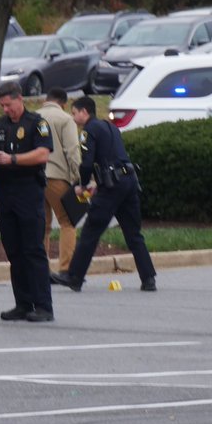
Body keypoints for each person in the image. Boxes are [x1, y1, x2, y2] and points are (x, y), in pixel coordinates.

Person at [54, 96, 157, 293]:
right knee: (133, 233)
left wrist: (83, 185)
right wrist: (98, 183)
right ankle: (149, 278)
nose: (73, 118)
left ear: (85, 112)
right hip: (129, 183)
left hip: (112, 188)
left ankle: (74, 277)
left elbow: (86, 162)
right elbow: (113, 159)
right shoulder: (111, 128)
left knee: (90, 231)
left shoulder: (89, 130)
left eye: (75, 113)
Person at [0, 81, 55, 322]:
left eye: (8, 105)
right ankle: (23, 303)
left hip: (28, 192)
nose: (5, 110)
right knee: (14, 251)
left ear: (19, 99)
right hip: (5, 194)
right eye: (2, 105)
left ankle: (43, 306)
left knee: (33, 249)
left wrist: (12, 159)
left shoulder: (37, 124)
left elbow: (43, 153)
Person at [37, 87, 82, 282]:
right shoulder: (65, 119)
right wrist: (78, 178)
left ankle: (41, 269)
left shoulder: (33, 117)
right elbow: (72, 151)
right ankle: (66, 269)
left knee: (43, 225)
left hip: (36, 176)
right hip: (57, 177)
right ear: (63, 103)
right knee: (67, 222)